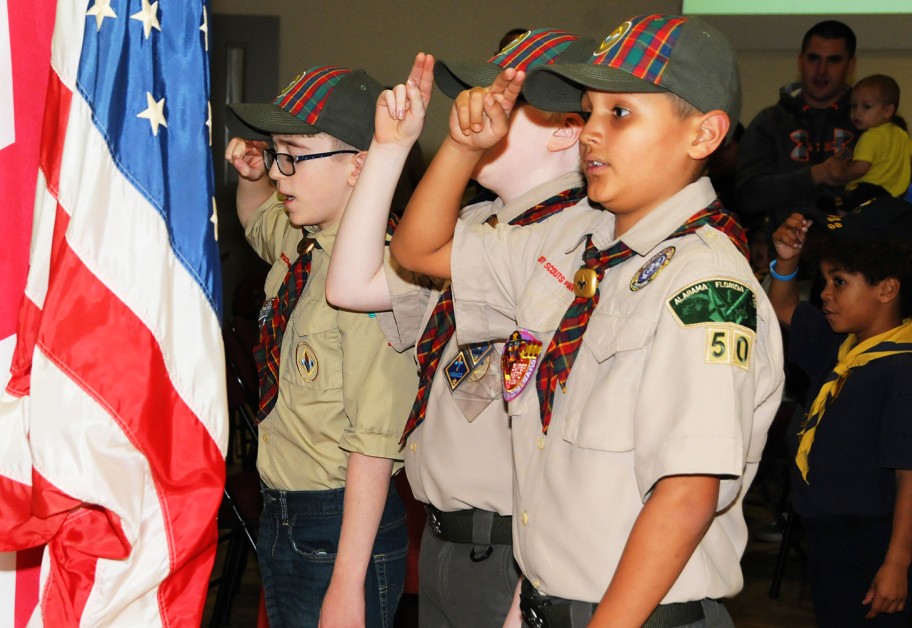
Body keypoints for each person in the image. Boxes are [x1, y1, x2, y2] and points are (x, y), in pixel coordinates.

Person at [390, 14, 785, 626]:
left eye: (620, 113)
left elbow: (685, 494)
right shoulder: (574, 244)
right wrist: (467, 148)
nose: (591, 134)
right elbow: (418, 252)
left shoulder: (706, 287)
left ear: (703, 133)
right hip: (552, 604)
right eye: (590, 111)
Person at [325, 29, 591, 626]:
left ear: (567, 128)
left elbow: (564, 433)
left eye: (503, 99)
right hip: (448, 541)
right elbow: (349, 286)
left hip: (516, 553)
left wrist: (531, 590)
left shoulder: (580, 240)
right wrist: (390, 150)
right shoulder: (474, 223)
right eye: (475, 93)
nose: (476, 108)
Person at [223, 66, 419, 627]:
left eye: (294, 154)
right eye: (275, 151)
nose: (282, 172)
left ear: (360, 165)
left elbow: (375, 443)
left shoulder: (376, 276)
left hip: (337, 522)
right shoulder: (305, 240)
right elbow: (257, 221)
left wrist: (348, 583)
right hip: (284, 510)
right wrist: (255, 175)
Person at [768, 199, 912, 627]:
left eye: (840, 282)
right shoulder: (843, 346)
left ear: (887, 289)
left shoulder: (901, 369)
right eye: (826, 280)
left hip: (875, 541)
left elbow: (908, 473)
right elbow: (783, 306)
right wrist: (785, 262)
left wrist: (898, 563)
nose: (825, 294)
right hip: (828, 536)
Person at [737, 20, 859, 226]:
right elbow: (747, 196)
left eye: (833, 60)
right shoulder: (771, 122)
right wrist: (813, 176)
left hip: (856, 253)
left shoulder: (872, 124)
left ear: (851, 65)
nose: (821, 70)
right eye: (813, 59)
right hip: (783, 253)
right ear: (800, 61)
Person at [821, 74, 912, 212]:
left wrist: (841, 175)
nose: (857, 113)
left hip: (870, 190)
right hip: (896, 195)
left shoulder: (871, 136)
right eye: (854, 106)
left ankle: (838, 203)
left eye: (866, 107)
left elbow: (861, 168)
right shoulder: (902, 135)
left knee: (851, 201)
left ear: (887, 110)